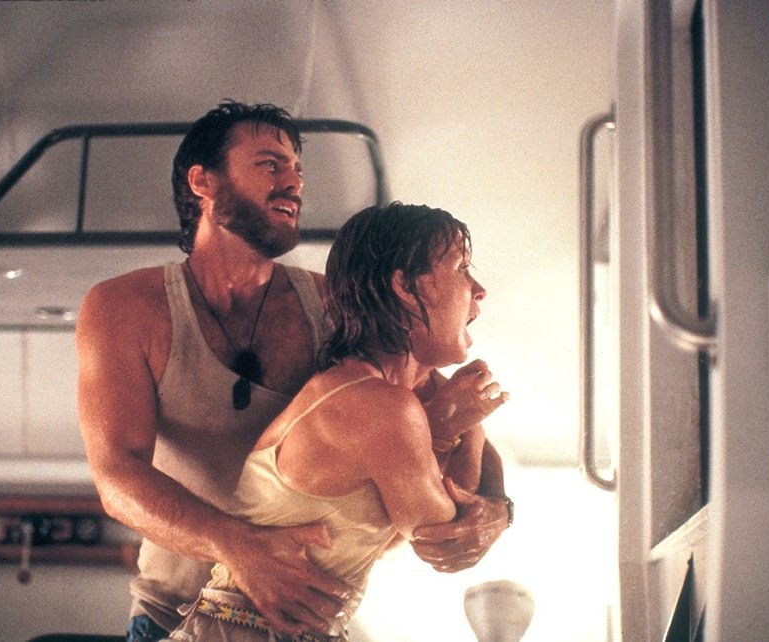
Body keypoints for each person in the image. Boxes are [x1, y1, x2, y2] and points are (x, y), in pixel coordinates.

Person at [75, 101, 513, 642]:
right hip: (172, 615)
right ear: (202, 181)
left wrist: (497, 509)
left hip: (310, 617)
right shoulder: (123, 307)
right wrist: (238, 547)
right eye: (270, 164)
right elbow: (116, 477)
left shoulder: (331, 305)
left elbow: (452, 410)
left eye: (298, 169)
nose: (294, 183)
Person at [161, 202, 509, 642]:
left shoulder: (378, 396)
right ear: (405, 286)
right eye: (461, 268)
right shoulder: (379, 405)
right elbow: (442, 538)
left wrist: (448, 429)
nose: (479, 290)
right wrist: (468, 428)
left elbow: (392, 539)